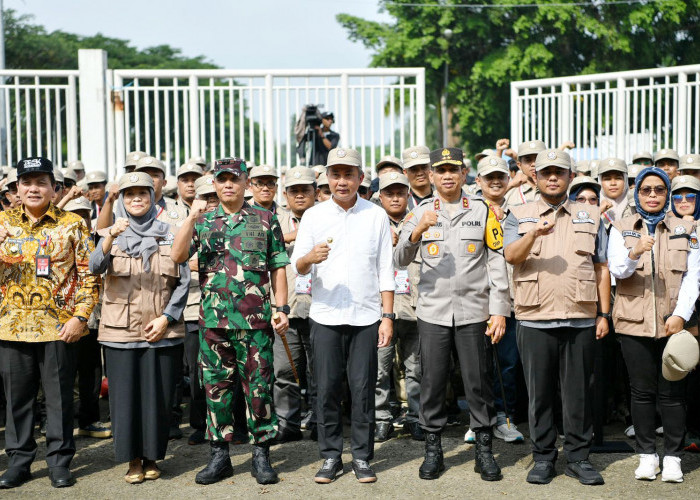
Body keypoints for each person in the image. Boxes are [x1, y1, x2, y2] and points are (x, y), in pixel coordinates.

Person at [170, 157, 290, 486]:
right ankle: (219, 456)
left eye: (233, 179)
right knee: (216, 391)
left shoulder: (265, 219)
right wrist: (192, 218)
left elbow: (277, 265)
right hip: (213, 323)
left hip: (256, 322)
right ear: (215, 183)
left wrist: (283, 307)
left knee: (259, 390)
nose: (227, 185)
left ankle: (261, 455)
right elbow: (178, 256)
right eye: (221, 179)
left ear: (245, 183)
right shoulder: (204, 221)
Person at [395, 148, 510, 482]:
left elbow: (496, 261)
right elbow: (399, 259)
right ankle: (433, 450)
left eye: (453, 169)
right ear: (431, 175)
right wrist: (417, 232)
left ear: (464, 174)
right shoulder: (419, 212)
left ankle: (484, 451)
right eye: (440, 170)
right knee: (432, 383)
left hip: (475, 312)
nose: (447, 175)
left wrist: (499, 310)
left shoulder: (482, 210)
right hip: (433, 312)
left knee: (478, 382)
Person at [504, 149, 611, 486]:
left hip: (580, 317)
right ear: (535, 177)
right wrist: (533, 233)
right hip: (535, 318)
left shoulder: (590, 214)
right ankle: (544, 457)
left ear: (570, 177)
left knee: (579, 393)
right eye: (546, 172)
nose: (553, 177)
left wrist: (604, 313)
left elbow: (601, 267)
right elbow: (511, 255)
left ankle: (579, 458)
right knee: (540, 394)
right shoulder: (518, 213)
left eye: (559, 172)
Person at [291, 147, 394, 484]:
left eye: (349, 174)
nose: (342, 181)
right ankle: (331, 456)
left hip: (366, 317)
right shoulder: (314, 216)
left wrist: (388, 316)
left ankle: (362, 458)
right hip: (325, 315)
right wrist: (309, 257)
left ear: (360, 178)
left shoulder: (375, 215)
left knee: (363, 389)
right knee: (327, 389)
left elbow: (385, 269)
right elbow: (298, 267)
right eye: (336, 174)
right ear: (327, 179)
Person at [0, 157, 99, 489]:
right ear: (16, 188)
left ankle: (59, 461)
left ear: (54, 189)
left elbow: (89, 276)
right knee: (17, 399)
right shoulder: (2, 223)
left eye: (41, 182)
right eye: (26, 182)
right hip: (10, 325)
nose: (33, 188)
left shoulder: (72, 223)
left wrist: (80, 317)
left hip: (59, 327)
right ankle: (19, 461)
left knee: (58, 399)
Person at [88, 172, 190, 484]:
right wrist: (109, 237)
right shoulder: (109, 232)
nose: (136, 199)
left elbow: (183, 278)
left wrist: (167, 317)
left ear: (152, 196)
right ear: (121, 199)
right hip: (120, 331)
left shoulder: (170, 233)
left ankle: (151, 456)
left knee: (157, 398)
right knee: (124, 399)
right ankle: (132, 459)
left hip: (161, 329)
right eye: (129, 194)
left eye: (142, 193)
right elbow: (94, 267)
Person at [607, 167, 700, 483]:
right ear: (637, 192)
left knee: (673, 394)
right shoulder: (621, 227)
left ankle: (672, 457)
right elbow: (617, 271)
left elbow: (693, 277)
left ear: (667, 193)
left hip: (671, 324)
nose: (652, 195)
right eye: (646, 190)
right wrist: (635, 251)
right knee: (642, 393)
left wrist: (681, 314)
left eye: (659, 190)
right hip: (634, 324)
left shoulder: (686, 227)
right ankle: (647, 456)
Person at [470, 156, 525, 444]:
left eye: (501, 176)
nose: (495, 181)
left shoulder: (519, 213)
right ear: (477, 181)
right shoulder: (468, 211)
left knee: (508, 364)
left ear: (509, 180)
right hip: (476, 300)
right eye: (488, 176)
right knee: (476, 365)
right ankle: (478, 420)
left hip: (512, 300)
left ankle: (505, 417)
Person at [374, 172, 423, 443]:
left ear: (408, 195)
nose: (395, 198)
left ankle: (415, 417)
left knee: (415, 368)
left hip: (415, 307)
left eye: (400, 193)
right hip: (382, 310)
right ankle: (381, 418)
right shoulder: (371, 221)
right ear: (380, 196)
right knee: (380, 369)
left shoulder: (420, 219)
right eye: (389, 193)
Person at [273, 166, 318, 443]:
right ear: (285, 194)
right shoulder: (271, 221)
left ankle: (320, 422)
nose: (300, 195)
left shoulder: (328, 218)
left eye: (305, 189)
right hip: (285, 307)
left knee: (321, 371)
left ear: (315, 191)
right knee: (284, 370)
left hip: (320, 307)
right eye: (294, 190)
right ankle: (287, 424)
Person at [63, 196, 112, 440]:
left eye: (84, 213)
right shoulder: (57, 240)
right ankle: (58, 422)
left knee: (91, 372)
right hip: (63, 318)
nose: (81, 218)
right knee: (64, 374)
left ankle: (89, 419)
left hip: (92, 317)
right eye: (75, 213)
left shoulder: (96, 241)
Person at [503, 140, 546, 208]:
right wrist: (511, 184)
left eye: (538, 159)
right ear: (519, 165)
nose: (533, 164)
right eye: (528, 160)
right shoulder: (511, 192)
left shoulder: (557, 186)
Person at [598, 158, 635, 230]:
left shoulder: (635, 206)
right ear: (600, 181)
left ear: (625, 180)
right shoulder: (592, 204)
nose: (613, 183)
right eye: (607, 179)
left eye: (618, 178)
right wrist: (598, 212)